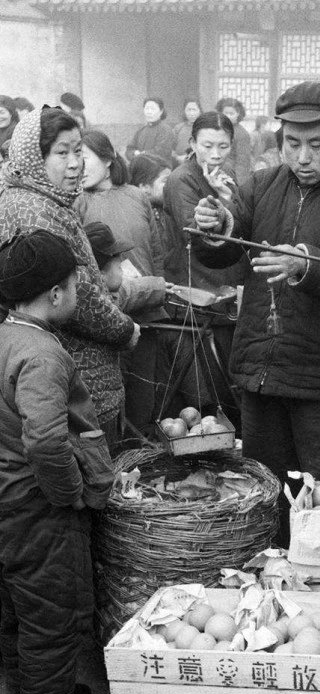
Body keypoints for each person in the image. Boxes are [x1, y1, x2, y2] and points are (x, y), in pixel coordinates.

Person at [193, 80, 320, 544]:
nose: (302, 157)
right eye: (292, 143)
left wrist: (306, 263)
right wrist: (217, 230)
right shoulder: (261, 186)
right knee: (271, 503)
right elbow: (227, 247)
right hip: (265, 380)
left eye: (316, 144)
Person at [0, 230, 112, 694]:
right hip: (36, 508)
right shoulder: (42, 354)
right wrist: (68, 492)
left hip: (7, 502)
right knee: (51, 622)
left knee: (16, 617)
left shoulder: (6, 336)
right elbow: (45, 438)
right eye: (74, 281)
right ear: (56, 293)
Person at [0, 107, 138, 446]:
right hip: (73, 373)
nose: (76, 163)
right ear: (35, 157)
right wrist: (124, 330)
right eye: (62, 153)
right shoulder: (35, 211)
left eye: (79, 151)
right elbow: (76, 296)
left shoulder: (43, 199)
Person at [164, 110, 242, 429]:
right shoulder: (181, 179)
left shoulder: (228, 175)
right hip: (193, 289)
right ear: (193, 143)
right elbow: (193, 235)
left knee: (227, 372)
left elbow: (241, 223)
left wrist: (228, 198)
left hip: (223, 288)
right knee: (205, 383)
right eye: (207, 145)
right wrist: (218, 202)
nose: (215, 154)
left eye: (223, 146)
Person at [76, 129, 165, 278]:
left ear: (107, 159)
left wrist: (159, 286)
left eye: (85, 159)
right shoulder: (78, 203)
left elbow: (156, 253)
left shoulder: (137, 195)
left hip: (150, 292)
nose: (80, 167)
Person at [125, 97, 176, 165]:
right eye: (147, 108)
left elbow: (161, 152)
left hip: (160, 171)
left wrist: (140, 154)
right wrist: (134, 153)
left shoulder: (166, 130)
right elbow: (129, 149)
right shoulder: (141, 131)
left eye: (152, 109)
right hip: (141, 168)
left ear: (161, 111)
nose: (149, 112)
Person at [216, 97, 252, 186]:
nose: (228, 116)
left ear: (238, 114)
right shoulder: (217, 129)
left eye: (231, 113)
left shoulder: (242, 134)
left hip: (230, 175)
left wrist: (238, 184)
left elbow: (242, 162)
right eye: (226, 113)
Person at [173, 98, 202, 165]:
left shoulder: (204, 128)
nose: (191, 113)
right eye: (189, 110)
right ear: (184, 111)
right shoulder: (178, 128)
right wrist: (177, 157)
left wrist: (189, 157)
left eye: (194, 110)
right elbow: (170, 147)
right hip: (179, 163)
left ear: (199, 111)